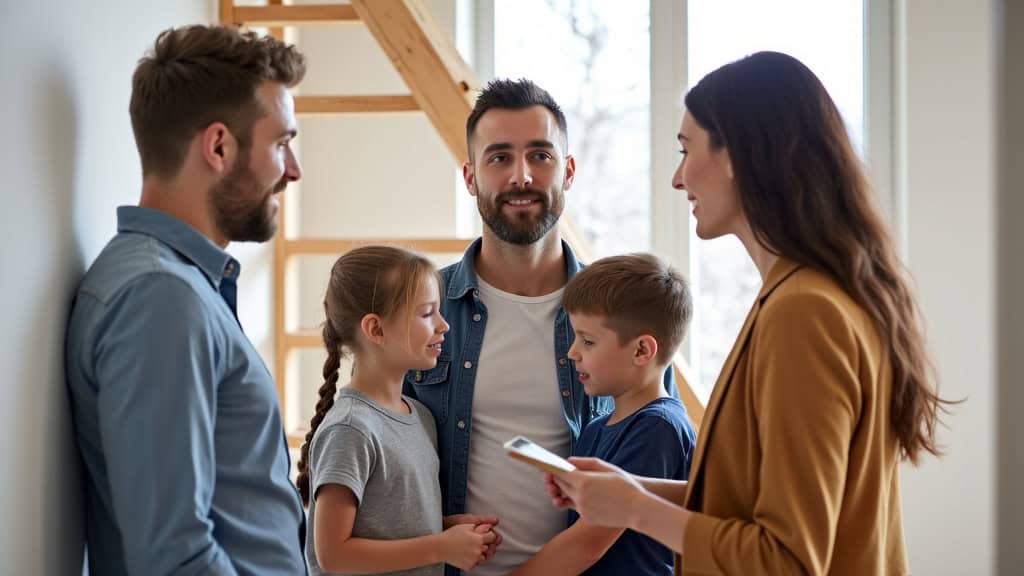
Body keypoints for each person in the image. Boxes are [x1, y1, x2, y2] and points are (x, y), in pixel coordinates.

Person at [546, 51, 952, 575]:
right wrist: (633, 489)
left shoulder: (805, 314)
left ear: (736, 154)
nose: (676, 177)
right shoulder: (803, 297)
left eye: (686, 149)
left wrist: (632, 509)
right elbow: (757, 501)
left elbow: (785, 558)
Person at [402, 78, 693, 575]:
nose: (521, 176)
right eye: (499, 158)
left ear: (569, 170)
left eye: (540, 155)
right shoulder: (418, 312)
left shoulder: (624, 312)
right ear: (470, 177)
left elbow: (651, 472)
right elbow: (386, 452)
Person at [65, 25, 308, 575]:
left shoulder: (177, 286)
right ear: (218, 146)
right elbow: (174, 557)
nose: (292, 170)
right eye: (281, 144)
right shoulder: (161, 299)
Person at [295, 246, 501, 575]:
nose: (444, 325)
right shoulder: (350, 429)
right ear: (375, 329)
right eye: (426, 313)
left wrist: (445, 530)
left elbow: (384, 524)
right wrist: (440, 546)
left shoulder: (419, 416)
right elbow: (334, 555)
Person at [509, 254, 695, 576]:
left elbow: (590, 542)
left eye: (588, 341)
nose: (572, 352)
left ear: (641, 351)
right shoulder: (596, 428)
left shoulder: (657, 428)